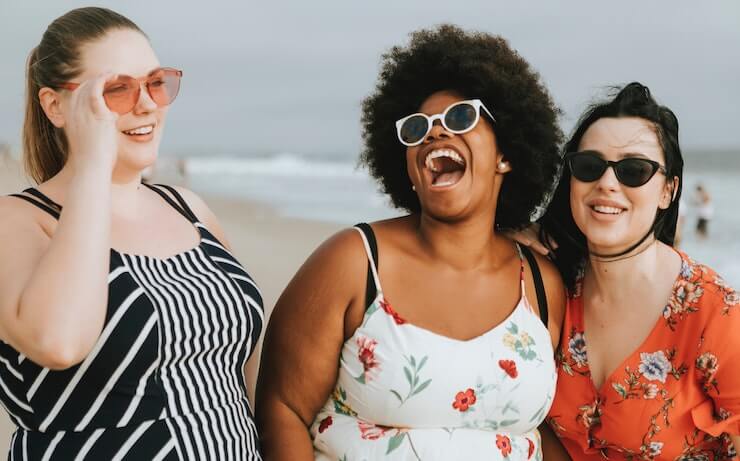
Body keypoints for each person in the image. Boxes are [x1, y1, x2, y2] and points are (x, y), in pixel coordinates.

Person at [256, 25, 566, 460]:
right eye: (417, 127)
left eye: (461, 118)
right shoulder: (353, 262)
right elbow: (281, 409)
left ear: (507, 154)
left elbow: (548, 430)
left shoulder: (541, 284)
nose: (434, 134)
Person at [0, 8, 263, 459]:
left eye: (155, 83)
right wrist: (92, 164)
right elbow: (58, 343)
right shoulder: (19, 220)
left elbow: (249, 370)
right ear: (55, 106)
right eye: (116, 90)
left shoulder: (188, 207)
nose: (146, 104)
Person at [539, 83, 740, 459]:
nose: (607, 183)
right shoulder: (550, 288)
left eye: (634, 170)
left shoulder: (714, 311)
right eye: (588, 166)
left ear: (668, 190)